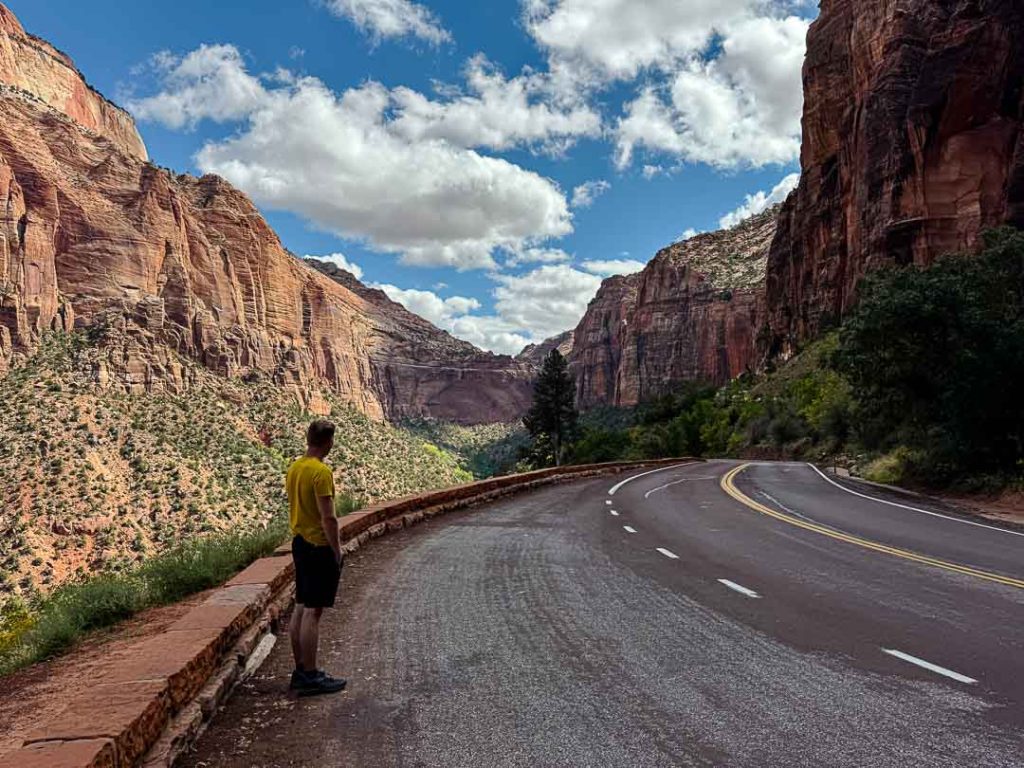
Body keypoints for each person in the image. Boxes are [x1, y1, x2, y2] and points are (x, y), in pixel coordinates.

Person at [286, 419, 347, 696]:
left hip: (299, 543)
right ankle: (310, 675)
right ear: (328, 442)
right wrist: (336, 551)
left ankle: (301, 670)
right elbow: (329, 518)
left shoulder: (295, 468)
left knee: (300, 606)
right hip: (318, 546)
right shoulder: (321, 473)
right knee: (314, 611)